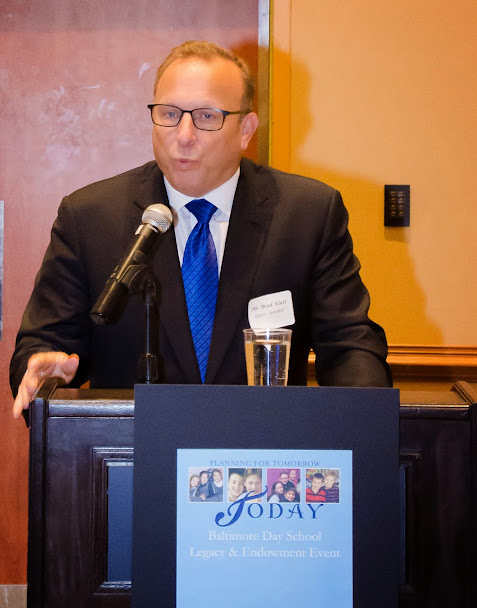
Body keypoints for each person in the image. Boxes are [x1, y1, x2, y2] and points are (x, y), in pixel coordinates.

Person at [10, 40, 391, 418]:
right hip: (132, 447)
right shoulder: (90, 216)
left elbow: (349, 344)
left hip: (263, 445)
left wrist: (368, 422)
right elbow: (44, 344)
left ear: (246, 129)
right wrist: (43, 372)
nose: (184, 135)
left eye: (207, 116)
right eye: (170, 114)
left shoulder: (306, 214)